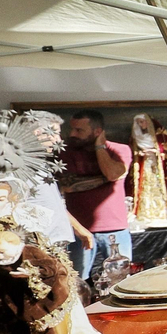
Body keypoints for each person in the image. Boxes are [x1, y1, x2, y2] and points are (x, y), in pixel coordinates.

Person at [57, 109, 133, 280]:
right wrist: (104, 179)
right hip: (77, 230)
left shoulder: (119, 150)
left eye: (79, 130)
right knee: (76, 281)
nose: (72, 134)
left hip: (115, 230)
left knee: (120, 280)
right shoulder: (65, 152)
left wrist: (100, 147)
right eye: (72, 129)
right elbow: (67, 186)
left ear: (97, 131)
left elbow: (113, 173)